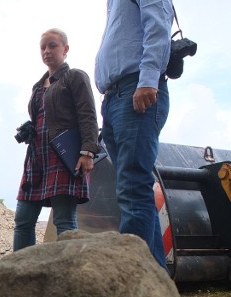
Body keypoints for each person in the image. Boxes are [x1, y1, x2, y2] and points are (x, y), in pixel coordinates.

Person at [95, 0, 173, 269]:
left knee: (132, 188)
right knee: (132, 190)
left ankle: (132, 279)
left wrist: (149, 78)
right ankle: (154, 283)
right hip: (115, 95)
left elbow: (159, 23)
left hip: (135, 89)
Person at [13, 28, 99, 251]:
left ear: (65, 49)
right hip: (37, 159)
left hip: (62, 158)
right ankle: (21, 274)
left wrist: (88, 152)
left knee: (64, 221)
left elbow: (88, 115)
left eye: (52, 46)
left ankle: (70, 275)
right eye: (43, 47)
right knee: (22, 219)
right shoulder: (37, 86)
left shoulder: (75, 77)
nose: (47, 51)